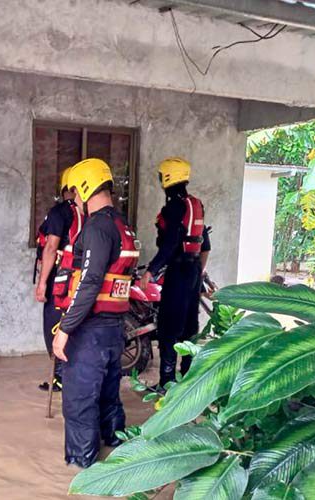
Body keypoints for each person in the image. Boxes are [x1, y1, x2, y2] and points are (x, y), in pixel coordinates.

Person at [52, 158, 140, 468]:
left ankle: (83, 465)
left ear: (85, 188)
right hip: (114, 328)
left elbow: (89, 282)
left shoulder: (97, 227)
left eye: (75, 192)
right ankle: (115, 445)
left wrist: (65, 330)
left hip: (90, 330)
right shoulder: (121, 224)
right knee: (107, 393)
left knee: (78, 399)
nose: (74, 198)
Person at [139, 157, 211, 388]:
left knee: (168, 327)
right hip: (193, 271)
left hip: (178, 271)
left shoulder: (173, 207)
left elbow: (170, 245)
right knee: (190, 326)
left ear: (167, 178)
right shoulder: (195, 205)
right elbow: (205, 245)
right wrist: (199, 273)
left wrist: (150, 271)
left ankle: (167, 382)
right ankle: (188, 378)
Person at [35, 167, 83, 392]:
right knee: (76, 326)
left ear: (65, 188)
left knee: (54, 325)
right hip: (82, 279)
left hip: (60, 280)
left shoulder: (60, 212)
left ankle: (60, 378)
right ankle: (74, 376)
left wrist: (42, 283)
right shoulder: (88, 213)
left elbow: (51, 247)